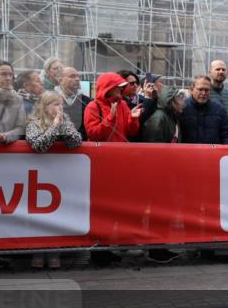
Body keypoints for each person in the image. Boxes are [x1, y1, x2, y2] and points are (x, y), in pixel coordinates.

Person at [25, 90, 83, 268]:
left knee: (56, 216)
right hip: (36, 177)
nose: (60, 108)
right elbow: (38, 145)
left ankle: (53, 252)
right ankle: (37, 253)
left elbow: (76, 141)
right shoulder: (32, 123)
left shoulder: (64, 121)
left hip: (59, 177)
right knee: (37, 217)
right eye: (56, 104)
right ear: (45, 106)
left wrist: (61, 125)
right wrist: (54, 128)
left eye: (61, 104)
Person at [84, 72, 141, 142]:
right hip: (102, 151)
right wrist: (110, 119)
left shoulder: (122, 104)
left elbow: (132, 133)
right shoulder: (93, 106)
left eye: (122, 86)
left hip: (121, 150)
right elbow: (93, 136)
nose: (121, 89)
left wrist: (133, 119)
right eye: (118, 86)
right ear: (108, 87)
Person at [180, 75, 228, 144]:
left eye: (207, 90)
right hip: (187, 153)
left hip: (213, 153)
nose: (203, 93)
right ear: (192, 89)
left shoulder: (219, 109)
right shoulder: (182, 108)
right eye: (200, 89)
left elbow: (227, 135)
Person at [56, 67, 91, 140]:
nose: (77, 79)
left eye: (78, 77)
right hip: (56, 146)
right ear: (60, 80)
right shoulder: (50, 99)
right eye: (72, 76)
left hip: (81, 146)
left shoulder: (87, 101)